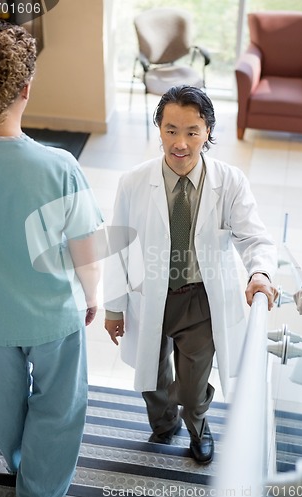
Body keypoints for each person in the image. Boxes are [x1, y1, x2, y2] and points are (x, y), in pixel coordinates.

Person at [104, 85, 278, 465]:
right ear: (159, 130)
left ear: (208, 133)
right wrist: (114, 308)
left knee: (194, 385)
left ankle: (197, 425)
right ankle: (164, 422)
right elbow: (119, 247)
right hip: (149, 295)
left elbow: (255, 237)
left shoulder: (229, 182)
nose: (179, 143)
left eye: (192, 132)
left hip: (199, 299)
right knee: (151, 375)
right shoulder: (133, 182)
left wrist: (259, 273)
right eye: (170, 130)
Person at [0, 20, 103, 497]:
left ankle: (14, 459)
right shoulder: (59, 167)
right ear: (26, 89)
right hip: (54, 318)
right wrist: (92, 295)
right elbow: (86, 248)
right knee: (60, 407)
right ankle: (41, 489)